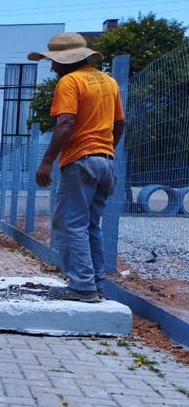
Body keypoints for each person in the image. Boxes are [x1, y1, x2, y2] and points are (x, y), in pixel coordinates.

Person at [28, 33, 125, 302]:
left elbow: (66, 124)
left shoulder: (70, 81)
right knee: (91, 226)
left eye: (54, 61)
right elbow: (119, 125)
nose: (51, 66)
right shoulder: (109, 82)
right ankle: (95, 284)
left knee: (69, 225)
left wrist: (47, 161)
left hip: (80, 163)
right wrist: (103, 149)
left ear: (66, 61)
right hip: (105, 162)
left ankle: (82, 287)